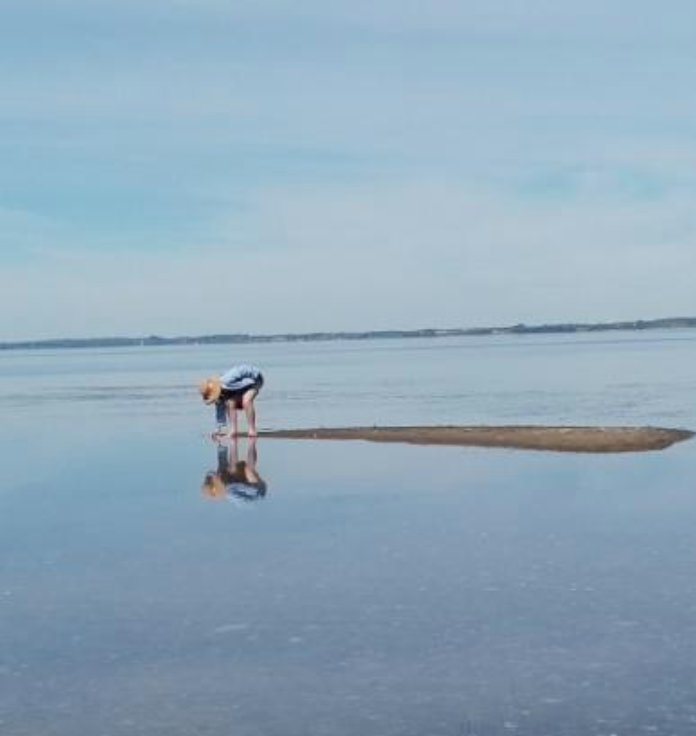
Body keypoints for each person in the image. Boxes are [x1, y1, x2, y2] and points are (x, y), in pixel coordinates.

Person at [199, 364, 264, 437]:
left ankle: (252, 429)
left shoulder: (228, 380)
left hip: (254, 378)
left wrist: (241, 398)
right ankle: (233, 430)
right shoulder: (220, 395)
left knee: (246, 401)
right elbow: (219, 411)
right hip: (239, 387)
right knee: (230, 403)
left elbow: (246, 375)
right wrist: (218, 430)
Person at [201, 437, 268, 503]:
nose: (216, 474)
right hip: (257, 491)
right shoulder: (230, 491)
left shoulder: (221, 474)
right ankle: (252, 441)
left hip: (242, 480)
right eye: (213, 477)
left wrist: (219, 442)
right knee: (247, 470)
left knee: (232, 469)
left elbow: (222, 458)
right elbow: (251, 491)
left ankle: (233, 441)